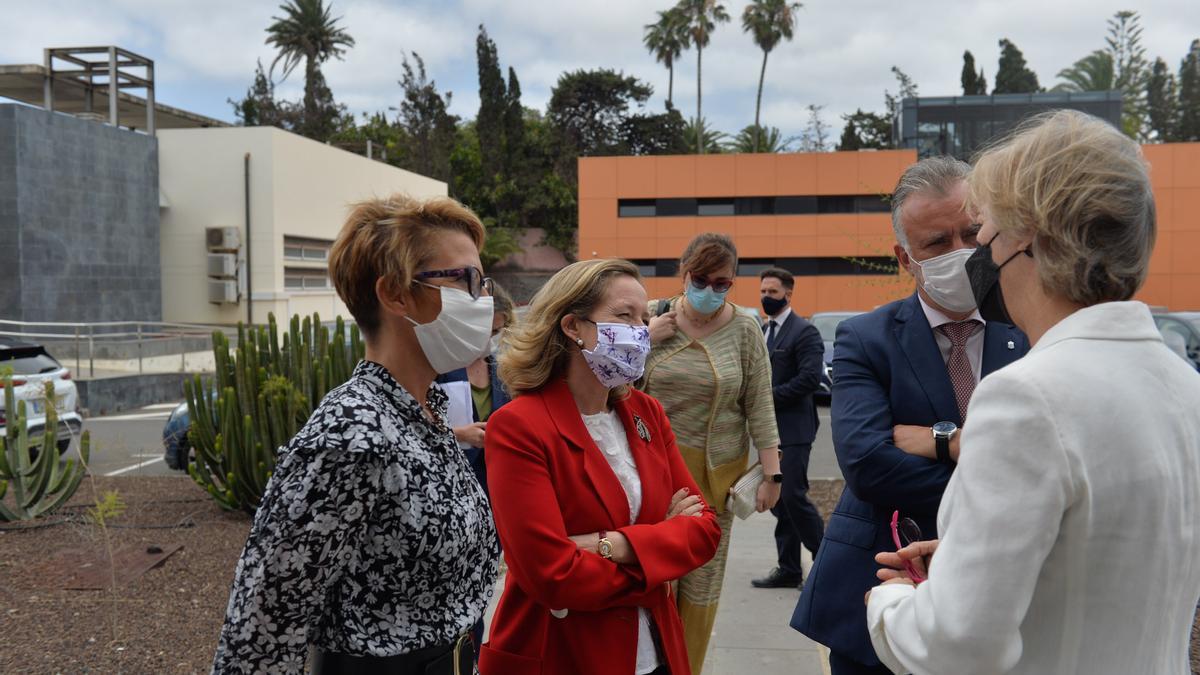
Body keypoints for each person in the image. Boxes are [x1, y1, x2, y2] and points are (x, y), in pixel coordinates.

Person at [868, 111, 1200, 674]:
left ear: (1030, 243)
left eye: (984, 234)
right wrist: (971, 562)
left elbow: (957, 646)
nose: (978, 259)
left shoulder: (1024, 398)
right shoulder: (1185, 387)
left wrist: (891, 604)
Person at [212, 194, 499, 674]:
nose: (482, 299)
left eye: (482, 281)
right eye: (464, 279)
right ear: (395, 295)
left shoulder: (426, 409)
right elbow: (264, 623)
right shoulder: (353, 432)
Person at [791, 157, 1028, 675]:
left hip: (1008, 593)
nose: (961, 252)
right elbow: (867, 464)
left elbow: (1052, 458)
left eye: (971, 233)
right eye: (937, 244)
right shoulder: (865, 337)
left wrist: (942, 440)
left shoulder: (1030, 330)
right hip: (883, 584)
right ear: (905, 258)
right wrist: (1007, 494)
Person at [481, 258, 722, 675]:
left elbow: (703, 531)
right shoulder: (519, 426)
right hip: (563, 653)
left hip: (655, 650)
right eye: (624, 316)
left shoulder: (646, 413)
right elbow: (550, 575)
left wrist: (608, 545)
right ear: (572, 326)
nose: (640, 330)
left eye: (644, 317)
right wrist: (656, 557)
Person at [643, 232, 783, 673]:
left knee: (700, 587)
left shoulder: (744, 328)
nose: (710, 290)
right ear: (683, 273)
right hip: (651, 476)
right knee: (652, 580)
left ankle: (687, 667)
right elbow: (611, 386)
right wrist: (645, 339)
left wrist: (772, 475)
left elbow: (760, 403)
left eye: (722, 283)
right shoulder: (650, 317)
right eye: (700, 279)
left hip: (713, 483)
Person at [750, 267, 826, 590]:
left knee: (793, 496)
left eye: (773, 292)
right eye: (763, 292)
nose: (767, 297)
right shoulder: (764, 331)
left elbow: (810, 378)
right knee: (779, 502)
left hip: (795, 430)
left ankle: (826, 564)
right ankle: (789, 568)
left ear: (789, 294)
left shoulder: (804, 332)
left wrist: (767, 398)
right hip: (770, 432)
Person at [439, 279, 515, 495]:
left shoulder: (504, 371)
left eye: (495, 331)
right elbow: (408, 430)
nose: (487, 339)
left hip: (496, 491)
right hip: (450, 487)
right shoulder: (438, 367)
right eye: (484, 330)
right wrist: (458, 435)